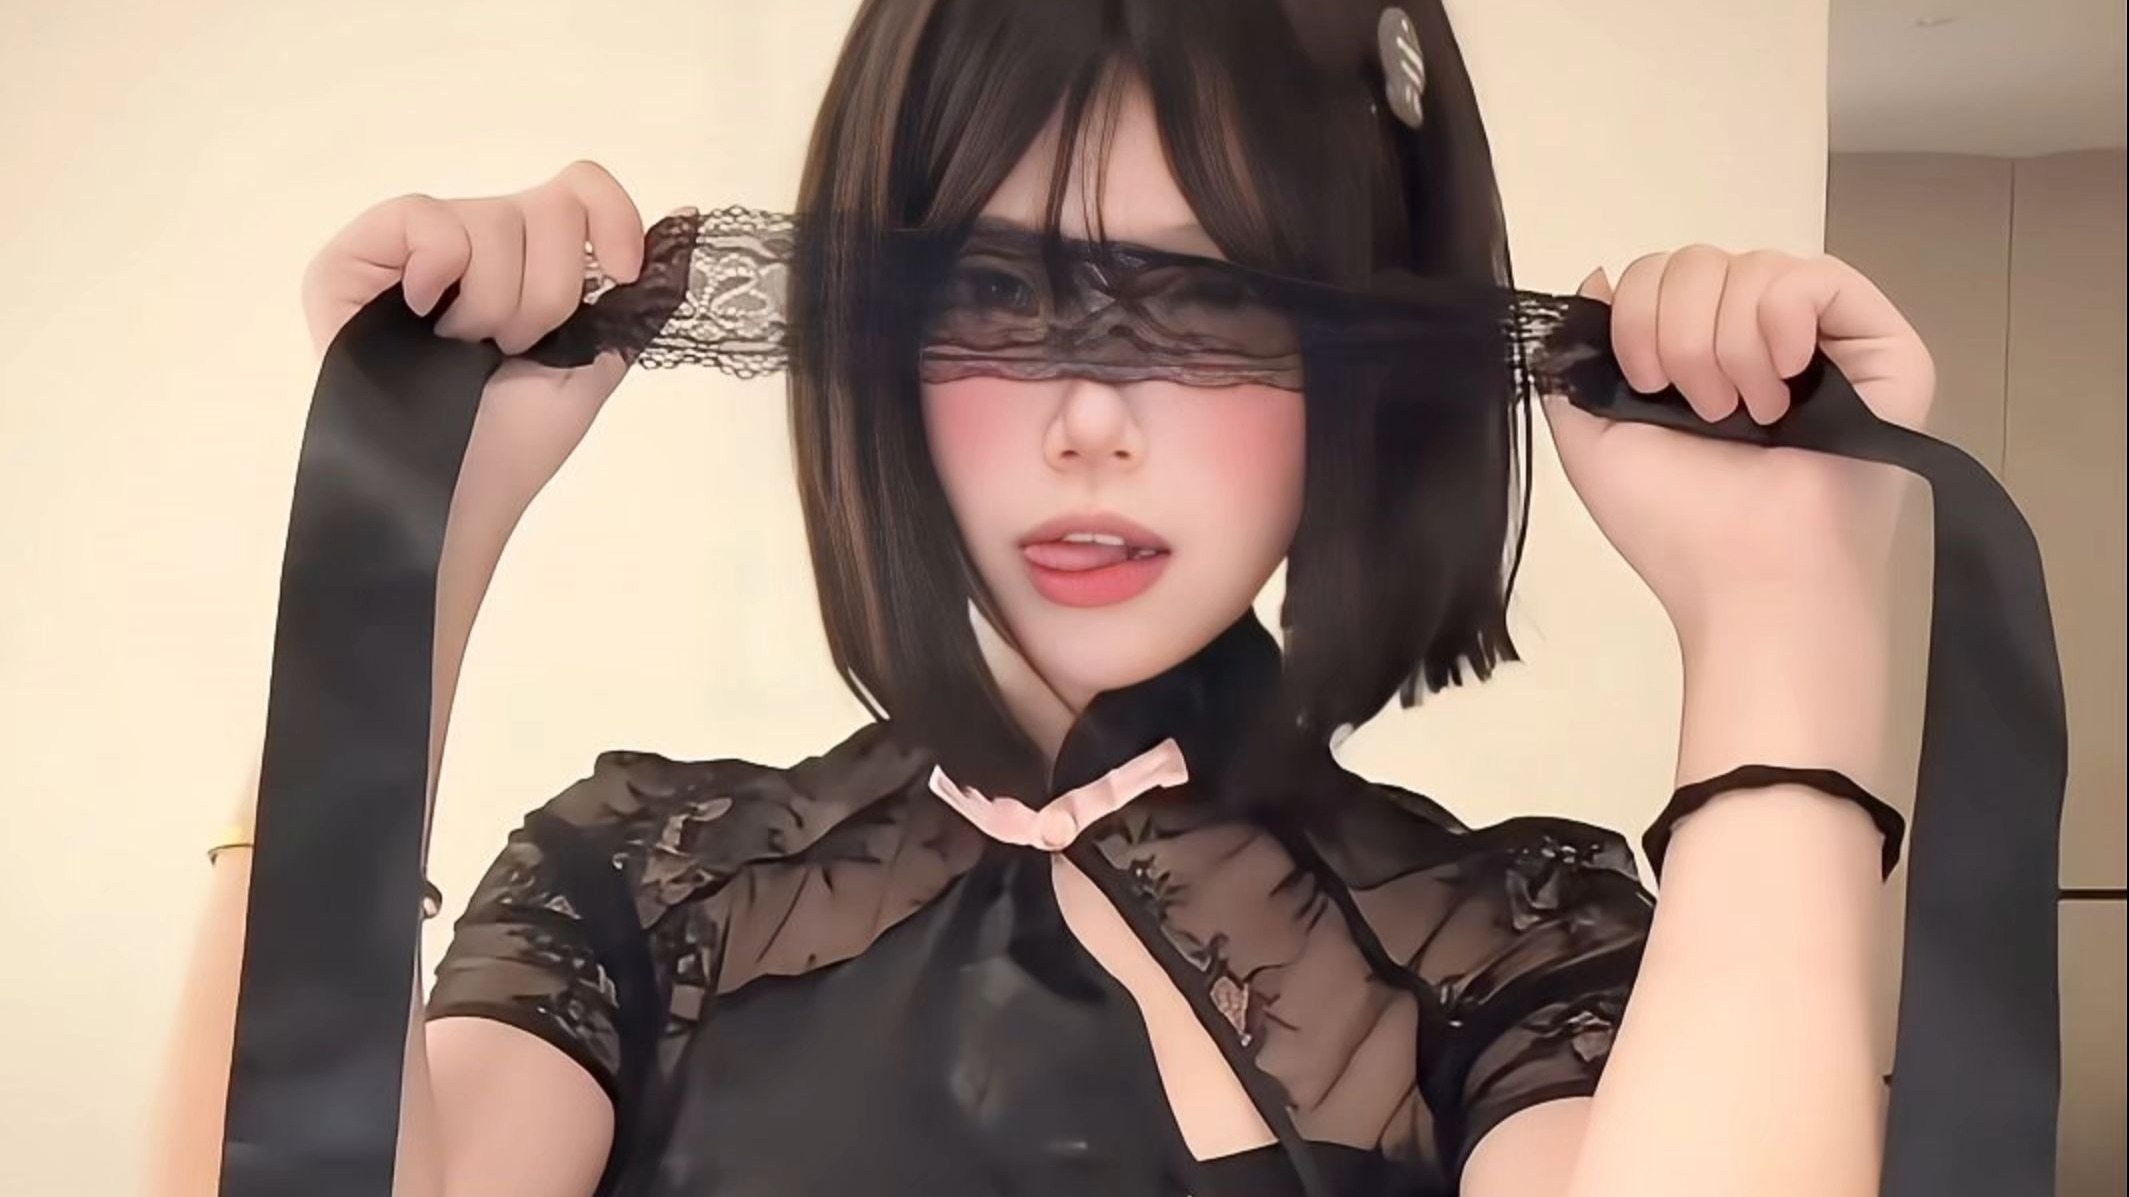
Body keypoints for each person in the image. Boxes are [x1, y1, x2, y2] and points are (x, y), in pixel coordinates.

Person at [151, 1, 1934, 1194]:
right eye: (998, 296)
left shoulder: (1510, 950)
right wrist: (405, 538)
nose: (1090, 420)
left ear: (1351, 376)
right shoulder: (634, 887)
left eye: (1210, 305)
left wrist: (1783, 618)